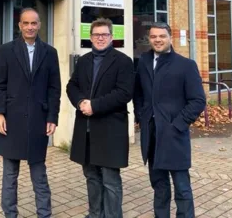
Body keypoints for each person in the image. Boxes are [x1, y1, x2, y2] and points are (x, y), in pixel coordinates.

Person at [0, 7, 61, 218]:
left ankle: (44, 214)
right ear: (20, 25)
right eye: (26, 23)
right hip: (11, 120)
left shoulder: (50, 52)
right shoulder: (6, 50)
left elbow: (54, 88)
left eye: (34, 23)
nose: (30, 27)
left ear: (39, 25)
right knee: (10, 175)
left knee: (39, 174)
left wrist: (52, 117)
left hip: (38, 121)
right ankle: (10, 214)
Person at [133, 22, 206, 217]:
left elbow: (198, 100)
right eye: (154, 36)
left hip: (174, 135)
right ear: (150, 39)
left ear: (170, 38)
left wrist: (178, 125)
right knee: (159, 186)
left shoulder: (186, 65)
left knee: (182, 188)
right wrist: (142, 115)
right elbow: (138, 92)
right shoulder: (144, 61)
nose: (157, 40)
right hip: (152, 134)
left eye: (162, 36)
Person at [66, 17, 134, 218]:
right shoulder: (84, 60)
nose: (100, 38)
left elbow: (124, 93)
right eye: (96, 34)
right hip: (86, 130)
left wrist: (94, 105)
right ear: (90, 37)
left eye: (104, 34)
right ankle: (95, 214)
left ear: (112, 37)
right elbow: (72, 86)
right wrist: (80, 103)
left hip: (110, 129)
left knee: (110, 180)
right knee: (91, 177)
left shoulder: (123, 61)